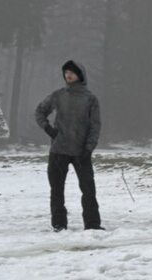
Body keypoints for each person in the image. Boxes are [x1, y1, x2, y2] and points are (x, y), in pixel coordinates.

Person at [34, 60, 102, 231]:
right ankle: (59, 224)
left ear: (80, 74)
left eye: (71, 72)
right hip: (59, 150)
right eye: (66, 72)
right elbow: (40, 111)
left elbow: (95, 126)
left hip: (81, 152)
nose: (68, 75)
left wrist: (89, 148)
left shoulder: (90, 99)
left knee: (88, 189)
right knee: (56, 190)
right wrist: (48, 129)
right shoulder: (58, 95)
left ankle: (92, 224)